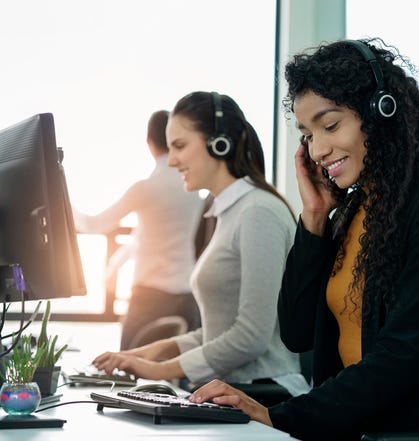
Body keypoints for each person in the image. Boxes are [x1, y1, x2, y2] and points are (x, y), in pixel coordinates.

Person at [187, 39, 419, 441]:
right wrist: (315, 217)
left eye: (330, 125)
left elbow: (400, 358)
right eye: (308, 135)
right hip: (344, 438)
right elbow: (297, 331)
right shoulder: (349, 214)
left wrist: (282, 417)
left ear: (381, 112)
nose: (318, 149)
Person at [92, 92, 311, 400]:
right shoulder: (229, 211)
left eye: (180, 146)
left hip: (266, 394)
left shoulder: (257, 212)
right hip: (234, 391)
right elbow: (219, 332)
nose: (172, 160)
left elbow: (251, 337)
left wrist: (160, 370)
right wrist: (149, 353)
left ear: (218, 142)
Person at [73, 110, 205, 350]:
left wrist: (62, 201)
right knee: (183, 373)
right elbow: (143, 237)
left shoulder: (146, 188)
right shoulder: (193, 189)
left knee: (126, 368)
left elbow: (94, 225)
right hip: (187, 294)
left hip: (149, 295)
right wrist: (116, 262)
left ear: (149, 142)